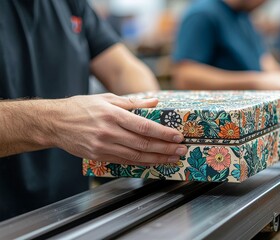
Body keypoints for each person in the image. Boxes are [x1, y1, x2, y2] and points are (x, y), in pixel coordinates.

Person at [0, 0, 187, 221]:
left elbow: (122, 69)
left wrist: (154, 112)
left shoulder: (71, 5)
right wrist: (55, 122)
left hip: (69, 209)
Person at [172, 0, 280, 120]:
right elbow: (184, 76)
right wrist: (255, 82)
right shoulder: (202, 14)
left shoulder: (243, 17)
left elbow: (263, 60)